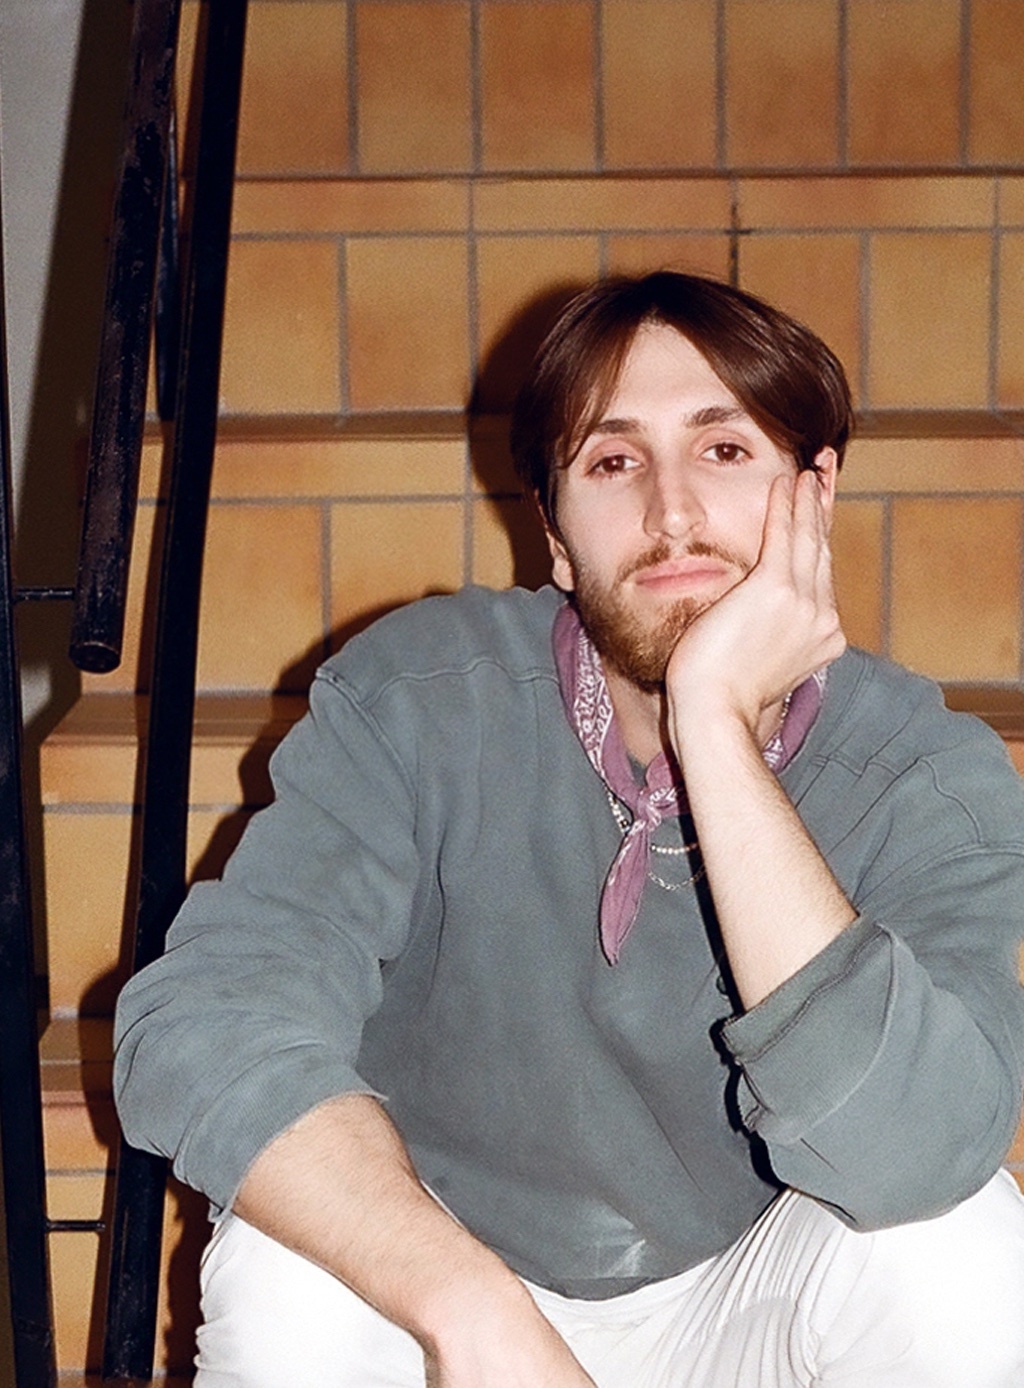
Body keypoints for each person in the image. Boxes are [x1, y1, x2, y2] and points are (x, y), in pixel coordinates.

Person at [114, 272, 1024, 1387]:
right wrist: (471, 1307)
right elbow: (206, 1019)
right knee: (283, 1277)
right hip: (456, 1296)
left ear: (816, 493)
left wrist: (715, 731)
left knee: (958, 1247)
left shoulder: (922, 771)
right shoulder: (419, 697)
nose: (671, 511)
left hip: (752, 1302)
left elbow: (915, 1153)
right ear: (552, 533)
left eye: (723, 450)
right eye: (612, 460)